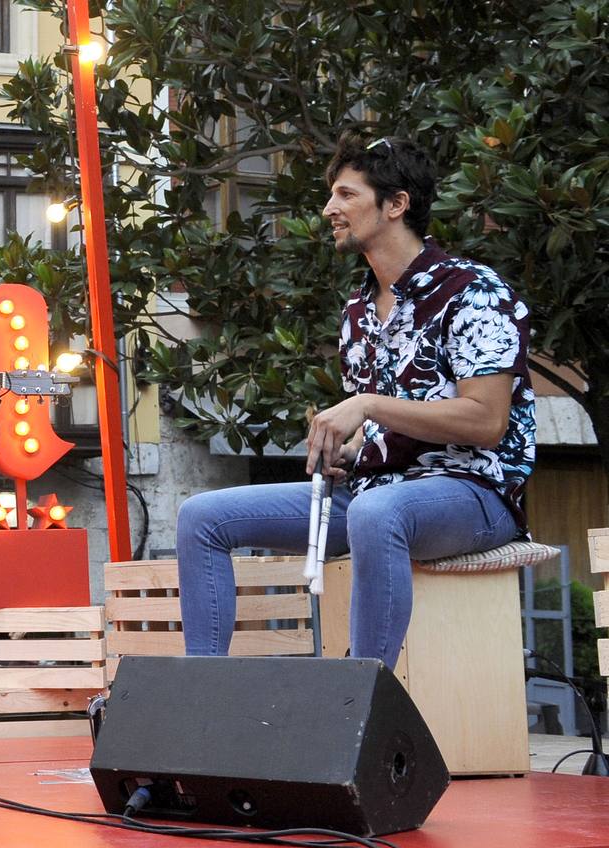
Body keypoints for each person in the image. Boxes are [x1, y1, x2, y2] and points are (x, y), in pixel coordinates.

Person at [176, 134, 535, 668]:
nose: (329, 210)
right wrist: (348, 453)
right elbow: (387, 427)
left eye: (346, 195)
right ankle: (197, 698)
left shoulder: (473, 291)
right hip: (376, 495)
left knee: (375, 511)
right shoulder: (358, 310)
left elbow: (486, 421)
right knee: (200, 516)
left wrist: (367, 405)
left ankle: (363, 701)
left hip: (474, 492)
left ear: (395, 205)